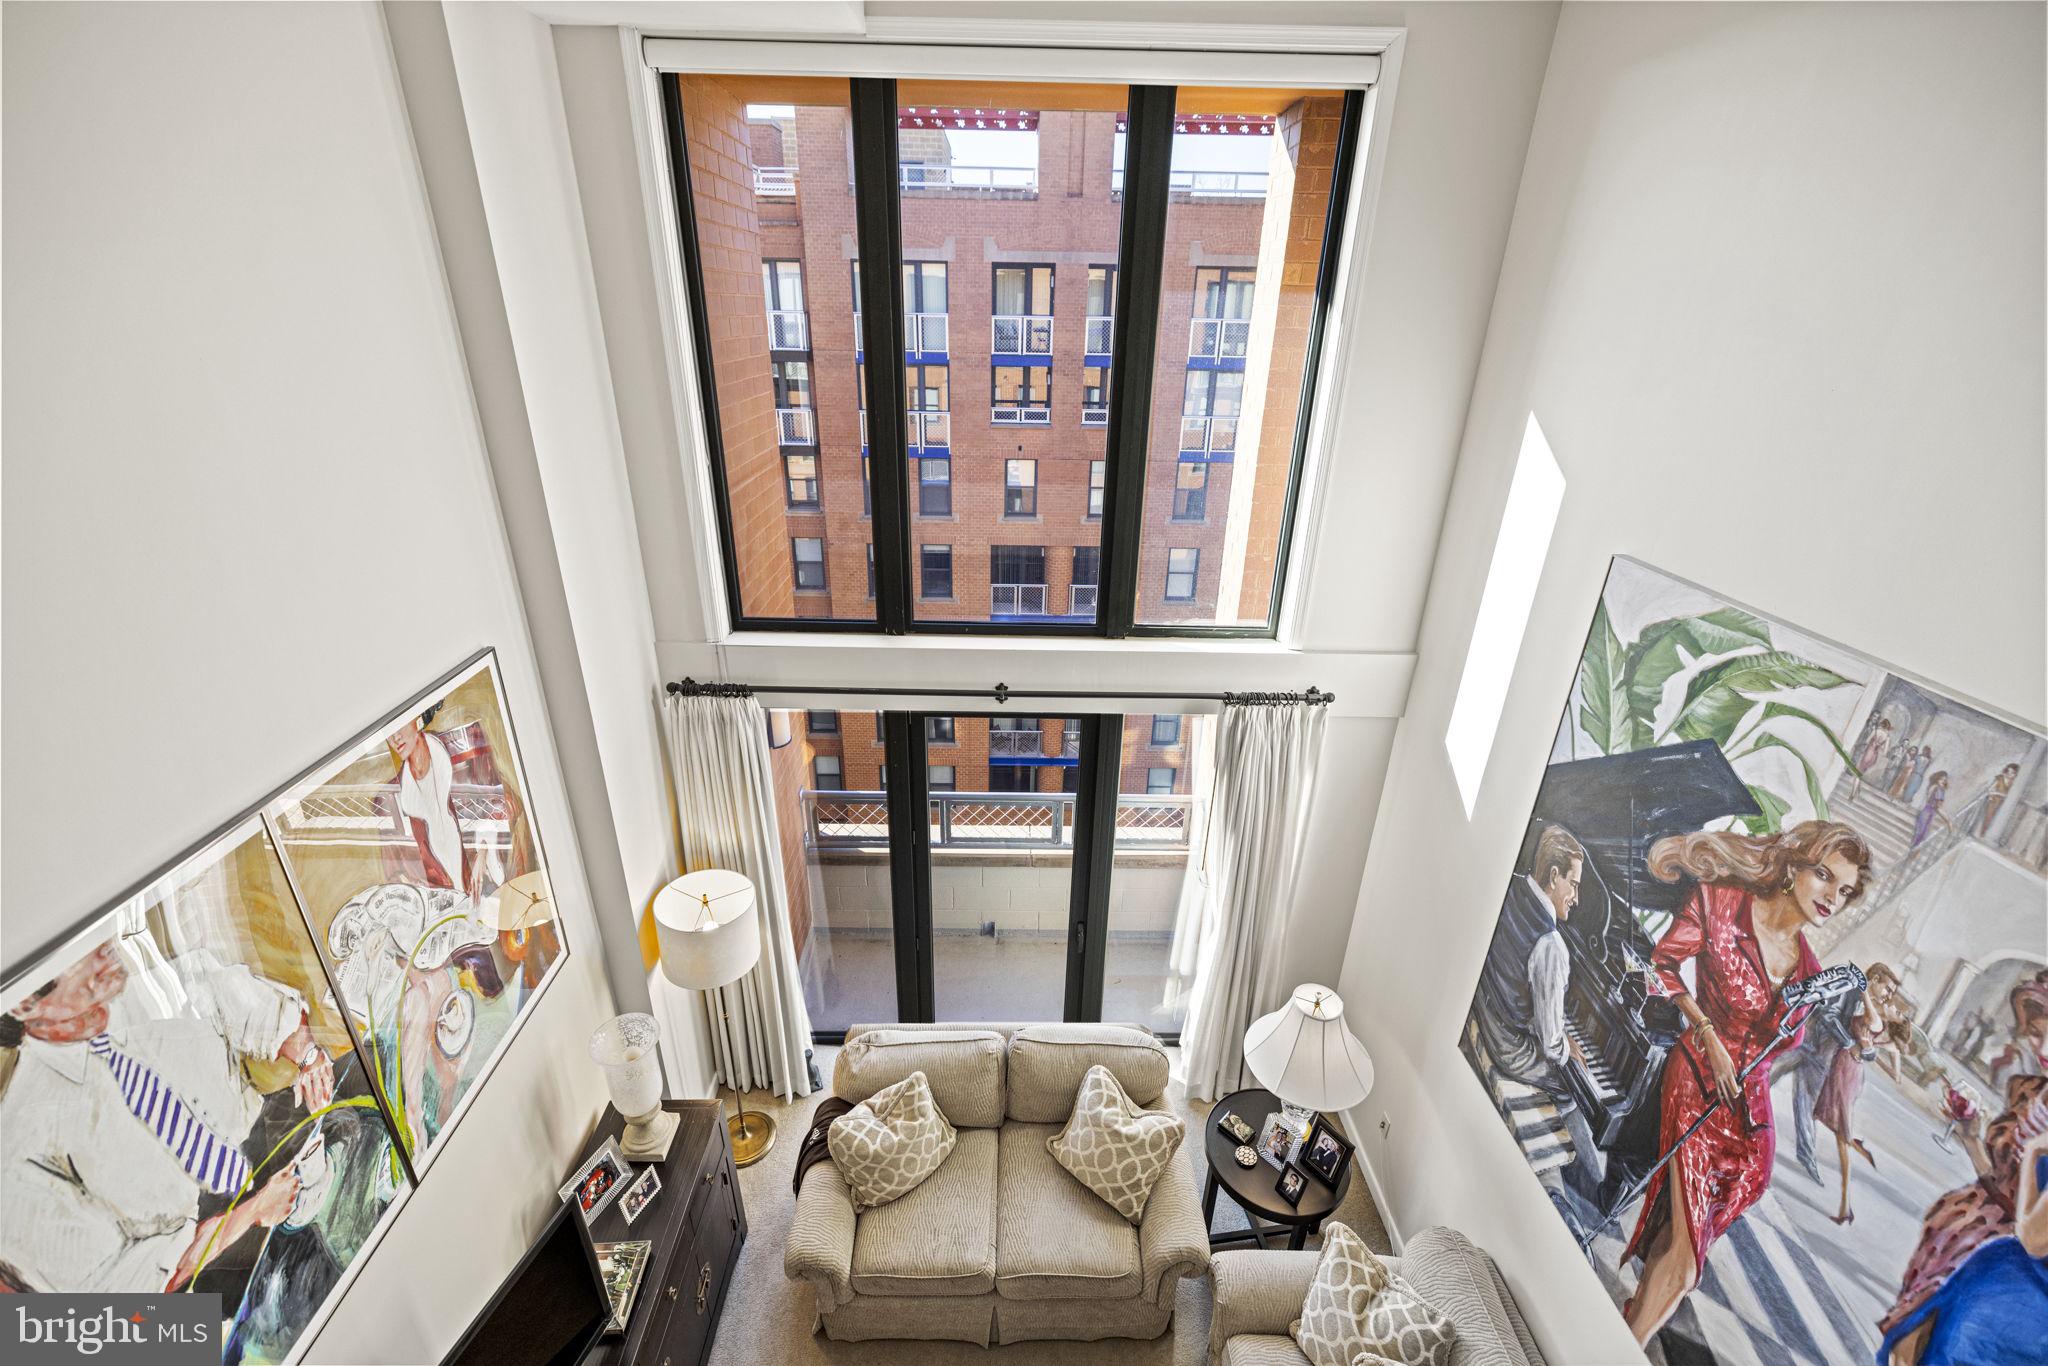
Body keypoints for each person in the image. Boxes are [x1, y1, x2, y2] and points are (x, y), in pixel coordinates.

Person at [1620, 820, 1872, 1346]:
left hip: (1750, 1122)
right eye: (1824, 876)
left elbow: (1787, 1048)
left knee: (1677, 1243)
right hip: (1696, 1084)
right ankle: (1624, 1349)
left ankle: (1626, 1328)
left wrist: (1854, 1028)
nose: (1833, 897)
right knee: (1688, 1269)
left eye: (1844, 891)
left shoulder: (1812, 972)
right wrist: (1707, 1031)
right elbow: (1662, 965)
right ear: (1793, 868)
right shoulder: (1721, 903)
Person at [0, 937, 335, 1296]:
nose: (108, 956)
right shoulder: (25, 1152)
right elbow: (136, 1288)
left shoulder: (127, 984)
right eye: (89, 962)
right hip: (224, 1245)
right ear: (24, 1003)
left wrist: (304, 1050)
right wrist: (255, 1211)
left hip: (274, 1116)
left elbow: (220, 987)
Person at [1880, 1074, 2048, 1353]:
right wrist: (1971, 1137)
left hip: (1997, 1267)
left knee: (1918, 1344)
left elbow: (2030, 1232)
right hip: (1961, 1237)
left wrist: (2032, 1151)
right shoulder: (2031, 1090)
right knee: (1906, 1345)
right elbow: (1999, 1179)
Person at [1472, 824, 1599, 1173]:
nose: (1576, 897)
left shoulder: (1511, 885)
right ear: (1554, 876)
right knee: (1573, 1087)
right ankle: (1581, 1177)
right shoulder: (1551, 945)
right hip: (1508, 1045)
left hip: (1486, 1006)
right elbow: (1549, 1039)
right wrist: (1564, 1046)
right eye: (1573, 885)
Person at [1815, 963, 1910, 1224]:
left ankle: (1845, 1205)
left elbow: (1872, 1021)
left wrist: (1864, 988)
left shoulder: (1874, 1013)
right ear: (1877, 979)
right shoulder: (1868, 1008)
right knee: (1827, 1120)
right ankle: (1857, 1145)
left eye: (1891, 994)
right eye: (1887, 989)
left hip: (1847, 1073)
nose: (1888, 997)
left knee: (1840, 1136)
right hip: (1842, 1066)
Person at [1979, 762, 2021, 837]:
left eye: (2012, 773)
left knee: (1999, 820)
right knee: (1988, 817)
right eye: (2008, 771)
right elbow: (1990, 790)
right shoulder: (2000, 778)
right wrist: (1999, 794)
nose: (2009, 774)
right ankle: (1982, 834)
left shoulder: (2014, 782)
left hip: (2004, 803)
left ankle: (1988, 835)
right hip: (1994, 801)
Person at [1911, 772, 1951, 849]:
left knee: (1922, 834)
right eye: (1941, 779)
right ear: (1937, 779)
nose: (1943, 781)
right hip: (1928, 811)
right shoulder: (1937, 788)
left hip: (1930, 812)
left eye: (1945, 780)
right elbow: (1936, 804)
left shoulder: (1939, 789)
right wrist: (1947, 820)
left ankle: (1914, 850)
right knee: (1920, 834)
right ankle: (1913, 850)